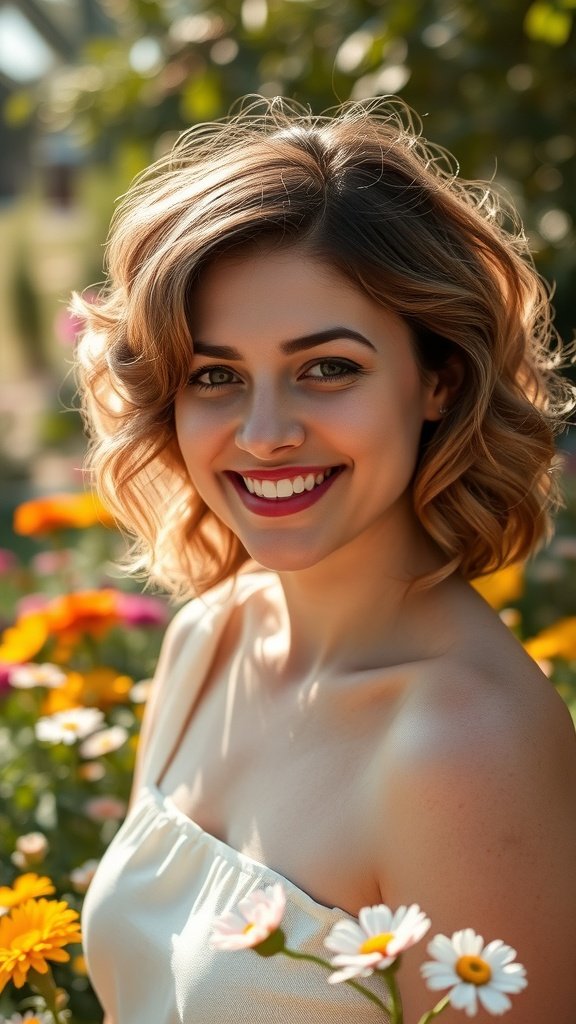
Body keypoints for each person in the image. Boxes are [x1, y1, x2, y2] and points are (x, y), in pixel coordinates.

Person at [77, 96, 576, 1023]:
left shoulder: (463, 750)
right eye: (215, 376)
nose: (264, 435)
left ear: (439, 379)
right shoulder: (208, 639)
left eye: (328, 368)